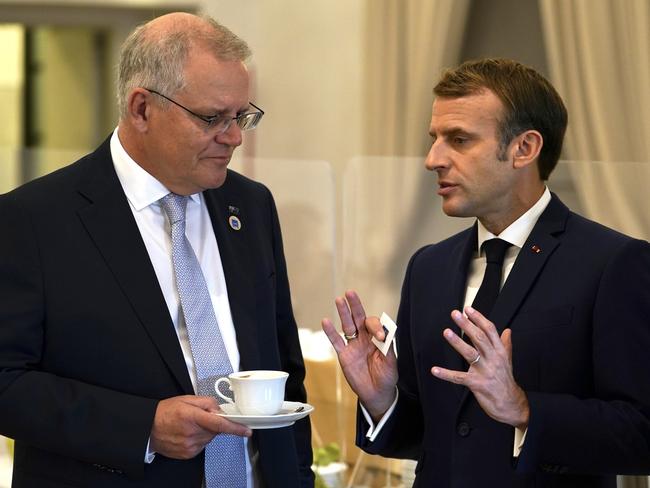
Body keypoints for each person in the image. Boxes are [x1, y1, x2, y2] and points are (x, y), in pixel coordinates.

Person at [0, 12, 313, 488]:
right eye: (212, 118)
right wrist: (141, 427)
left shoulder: (250, 206)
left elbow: (284, 370)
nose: (233, 137)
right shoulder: (34, 220)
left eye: (241, 116)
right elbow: (6, 382)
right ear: (142, 108)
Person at [322, 58, 650, 487]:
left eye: (459, 139)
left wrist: (524, 408)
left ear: (525, 149)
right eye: (434, 138)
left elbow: (642, 434)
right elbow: (437, 434)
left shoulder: (613, 262)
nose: (433, 159)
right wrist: (383, 401)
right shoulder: (428, 267)